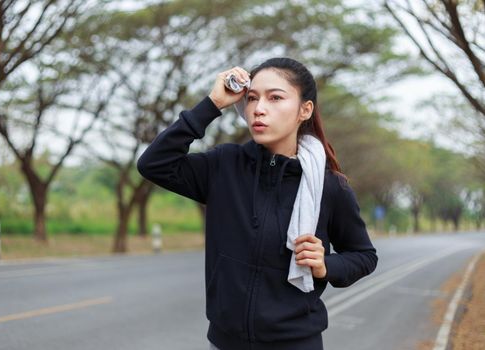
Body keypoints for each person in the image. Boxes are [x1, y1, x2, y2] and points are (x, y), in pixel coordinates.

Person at [137, 57, 378, 350]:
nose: (259, 109)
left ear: (305, 109)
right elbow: (154, 163)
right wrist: (213, 103)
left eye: (275, 98)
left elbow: (364, 255)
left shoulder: (329, 187)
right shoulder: (223, 166)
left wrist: (325, 264)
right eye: (252, 99)